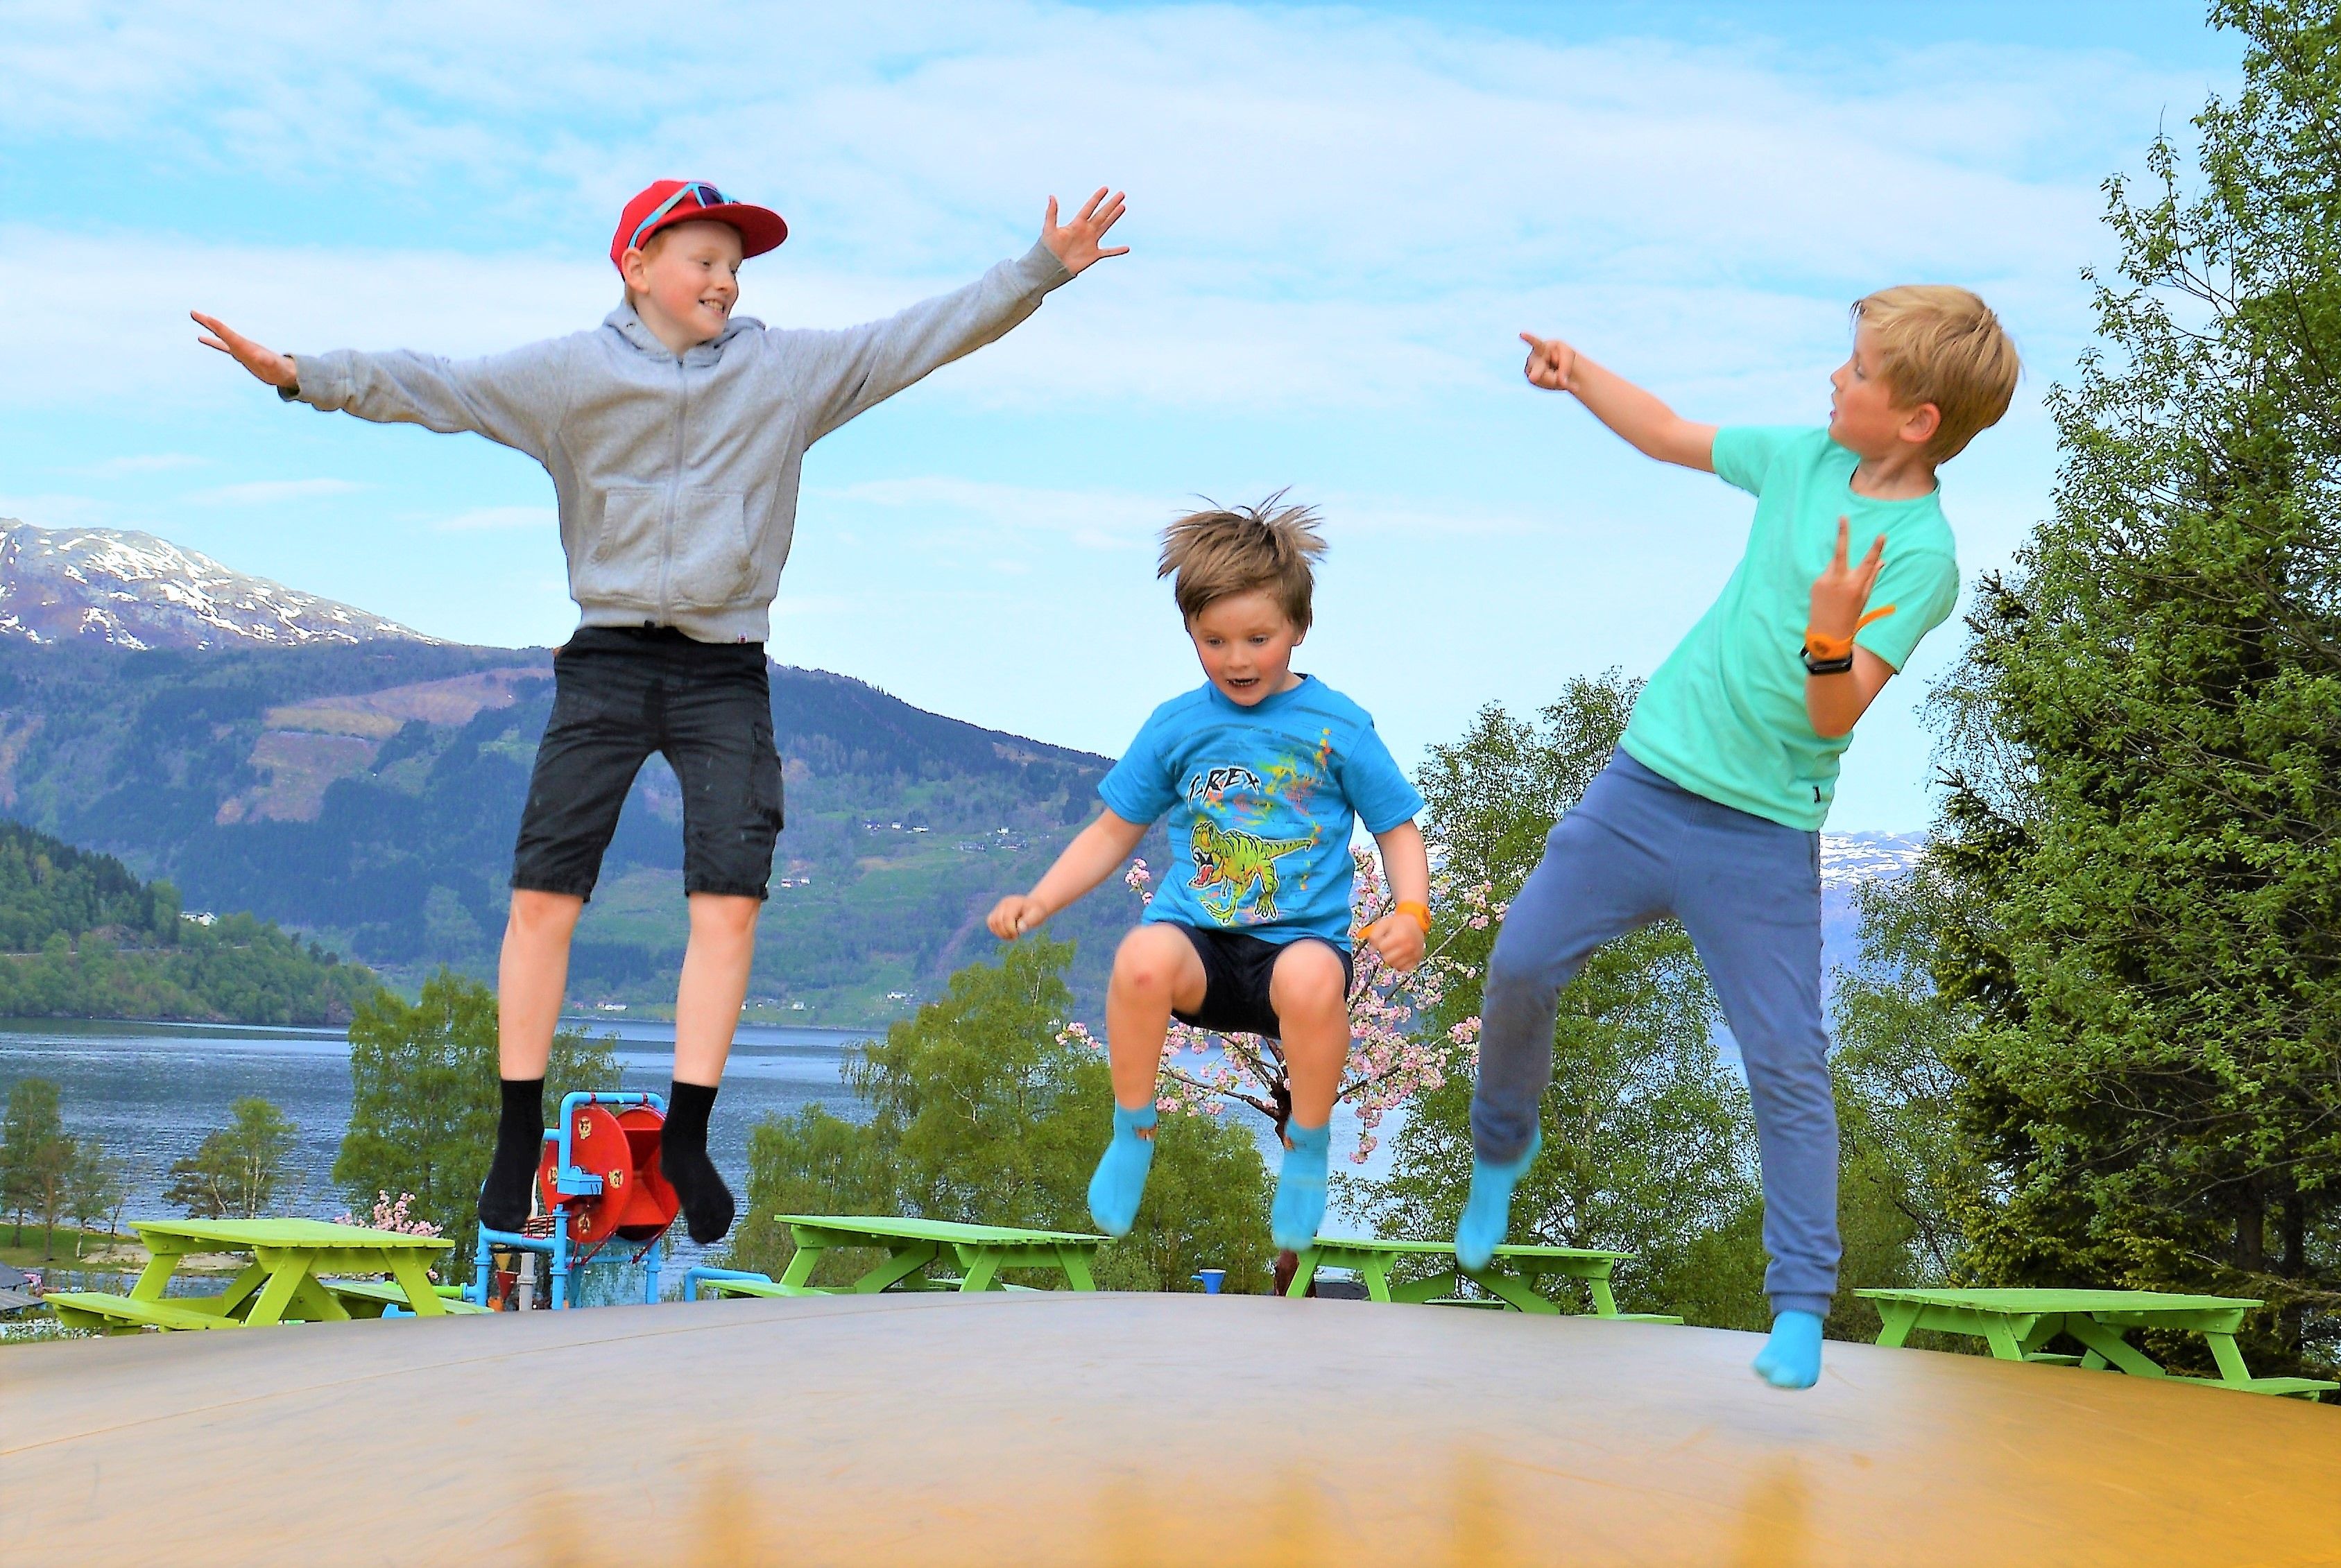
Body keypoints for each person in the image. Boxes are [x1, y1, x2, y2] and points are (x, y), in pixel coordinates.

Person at [193, 178, 1130, 1244]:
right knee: (542, 898)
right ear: (637, 266)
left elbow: (921, 337)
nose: (726, 281)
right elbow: (436, 385)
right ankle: (515, 1130)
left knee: (728, 903)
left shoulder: (786, 373)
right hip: (604, 661)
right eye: (704, 261)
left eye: (736, 266)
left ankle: (686, 1134)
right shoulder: (567, 376)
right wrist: (300, 376)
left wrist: (1039, 270)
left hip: (725, 669)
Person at [1466, 288, 2020, 1388]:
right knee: (1519, 962)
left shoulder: (1921, 556)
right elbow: (1669, 433)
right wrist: (1579, 375)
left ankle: (1800, 1306)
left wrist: (1829, 632)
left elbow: (1830, 712)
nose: (1833, 379)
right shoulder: (1803, 459)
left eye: (1855, 371)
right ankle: (1499, 1150)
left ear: (1914, 419)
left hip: (1761, 835)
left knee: (1784, 1060)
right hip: (1643, 786)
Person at [986, 499, 1429, 1251]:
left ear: (1298, 627)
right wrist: (1040, 898)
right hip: (1199, 944)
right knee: (1139, 957)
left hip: (1297, 950)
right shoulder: (1178, 726)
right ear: (1189, 631)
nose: (1237, 659)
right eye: (1214, 640)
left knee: (1312, 982)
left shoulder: (1339, 726)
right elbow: (1112, 830)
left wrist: (1411, 911)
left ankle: (1308, 1146)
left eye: (1258, 638)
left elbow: (1396, 828)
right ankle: (1133, 1131)